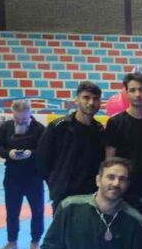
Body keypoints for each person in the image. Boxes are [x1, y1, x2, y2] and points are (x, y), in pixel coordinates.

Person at [36, 81, 105, 211]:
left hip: (91, 195)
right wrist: (55, 182)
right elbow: (42, 159)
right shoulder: (58, 127)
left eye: (95, 99)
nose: (91, 102)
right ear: (76, 100)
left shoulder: (99, 130)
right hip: (64, 195)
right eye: (86, 97)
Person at [0, 100, 46, 249]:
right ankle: (12, 242)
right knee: (11, 211)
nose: (20, 121)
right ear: (13, 115)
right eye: (17, 119)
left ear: (30, 114)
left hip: (34, 176)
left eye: (24, 119)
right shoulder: (6, 126)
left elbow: (46, 151)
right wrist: (8, 153)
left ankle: (35, 243)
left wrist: (31, 153)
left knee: (37, 211)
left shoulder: (39, 129)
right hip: (12, 175)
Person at [104, 73, 142, 205]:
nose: (137, 94)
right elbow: (109, 160)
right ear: (126, 93)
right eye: (133, 90)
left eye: (141, 90)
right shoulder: (115, 123)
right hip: (122, 186)